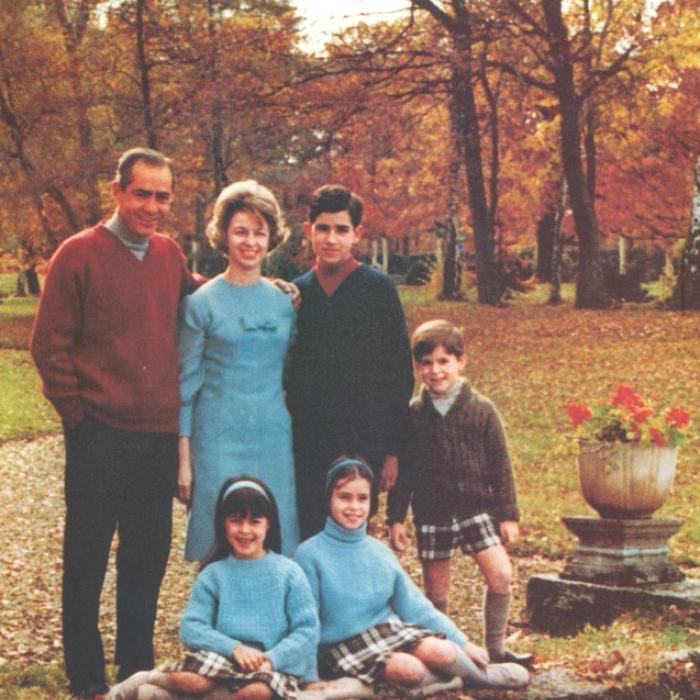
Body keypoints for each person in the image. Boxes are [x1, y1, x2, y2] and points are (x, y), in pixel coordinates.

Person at [30, 147, 203, 698]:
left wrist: (268, 288)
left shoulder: (169, 255)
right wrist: (78, 418)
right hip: (99, 433)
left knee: (145, 563)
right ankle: (86, 680)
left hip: (154, 436)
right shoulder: (77, 254)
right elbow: (47, 346)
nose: (151, 206)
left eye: (162, 196)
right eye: (142, 193)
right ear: (118, 191)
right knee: (86, 560)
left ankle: (134, 673)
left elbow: (203, 300)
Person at [295, 458, 529, 696]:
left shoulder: (379, 552)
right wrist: (310, 675)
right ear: (329, 499)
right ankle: (449, 681)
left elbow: (416, 607)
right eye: (345, 497)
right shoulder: (309, 554)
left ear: (371, 501)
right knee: (411, 671)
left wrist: (463, 642)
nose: (354, 507)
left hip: (387, 631)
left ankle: (481, 676)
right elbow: (306, 622)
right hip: (339, 645)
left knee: (444, 652)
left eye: (362, 498)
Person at [388, 319, 533, 667]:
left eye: (443, 361)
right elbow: (403, 473)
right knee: (437, 593)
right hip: (432, 513)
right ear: (417, 366)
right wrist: (396, 519)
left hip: (476, 510)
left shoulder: (481, 410)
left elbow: (501, 464)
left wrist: (508, 514)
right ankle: (446, 652)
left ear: (460, 361)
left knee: (501, 575)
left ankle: (496, 648)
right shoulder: (413, 414)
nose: (435, 371)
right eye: (426, 363)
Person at [106, 476, 320, 700]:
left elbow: (307, 630)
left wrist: (272, 658)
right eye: (236, 520)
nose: (245, 530)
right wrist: (233, 647)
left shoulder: (289, 572)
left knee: (256, 692)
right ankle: (145, 679)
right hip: (222, 657)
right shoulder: (213, 574)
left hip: (270, 664)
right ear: (222, 522)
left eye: (255, 521)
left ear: (269, 524)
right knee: (189, 680)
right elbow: (192, 627)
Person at [178, 180, 300, 560]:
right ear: (224, 236)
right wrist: (183, 461)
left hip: (272, 435)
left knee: (274, 536)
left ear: (271, 238)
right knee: (218, 535)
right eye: (241, 231)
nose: (250, 242)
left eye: (259, 233)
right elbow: (185, 386)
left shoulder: (285, 303)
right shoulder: (201, 304)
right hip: (216, 437)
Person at [285, 185, 413, 539]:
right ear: (308, 229)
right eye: (322, 228)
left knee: (351, 531)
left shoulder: (378, 290)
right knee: (309, 531)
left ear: (357, 233)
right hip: (308, 439)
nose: (331, 238)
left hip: (364, 437)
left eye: (341, 229)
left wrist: (391, 450)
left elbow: (399, 374)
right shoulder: (298, 293)